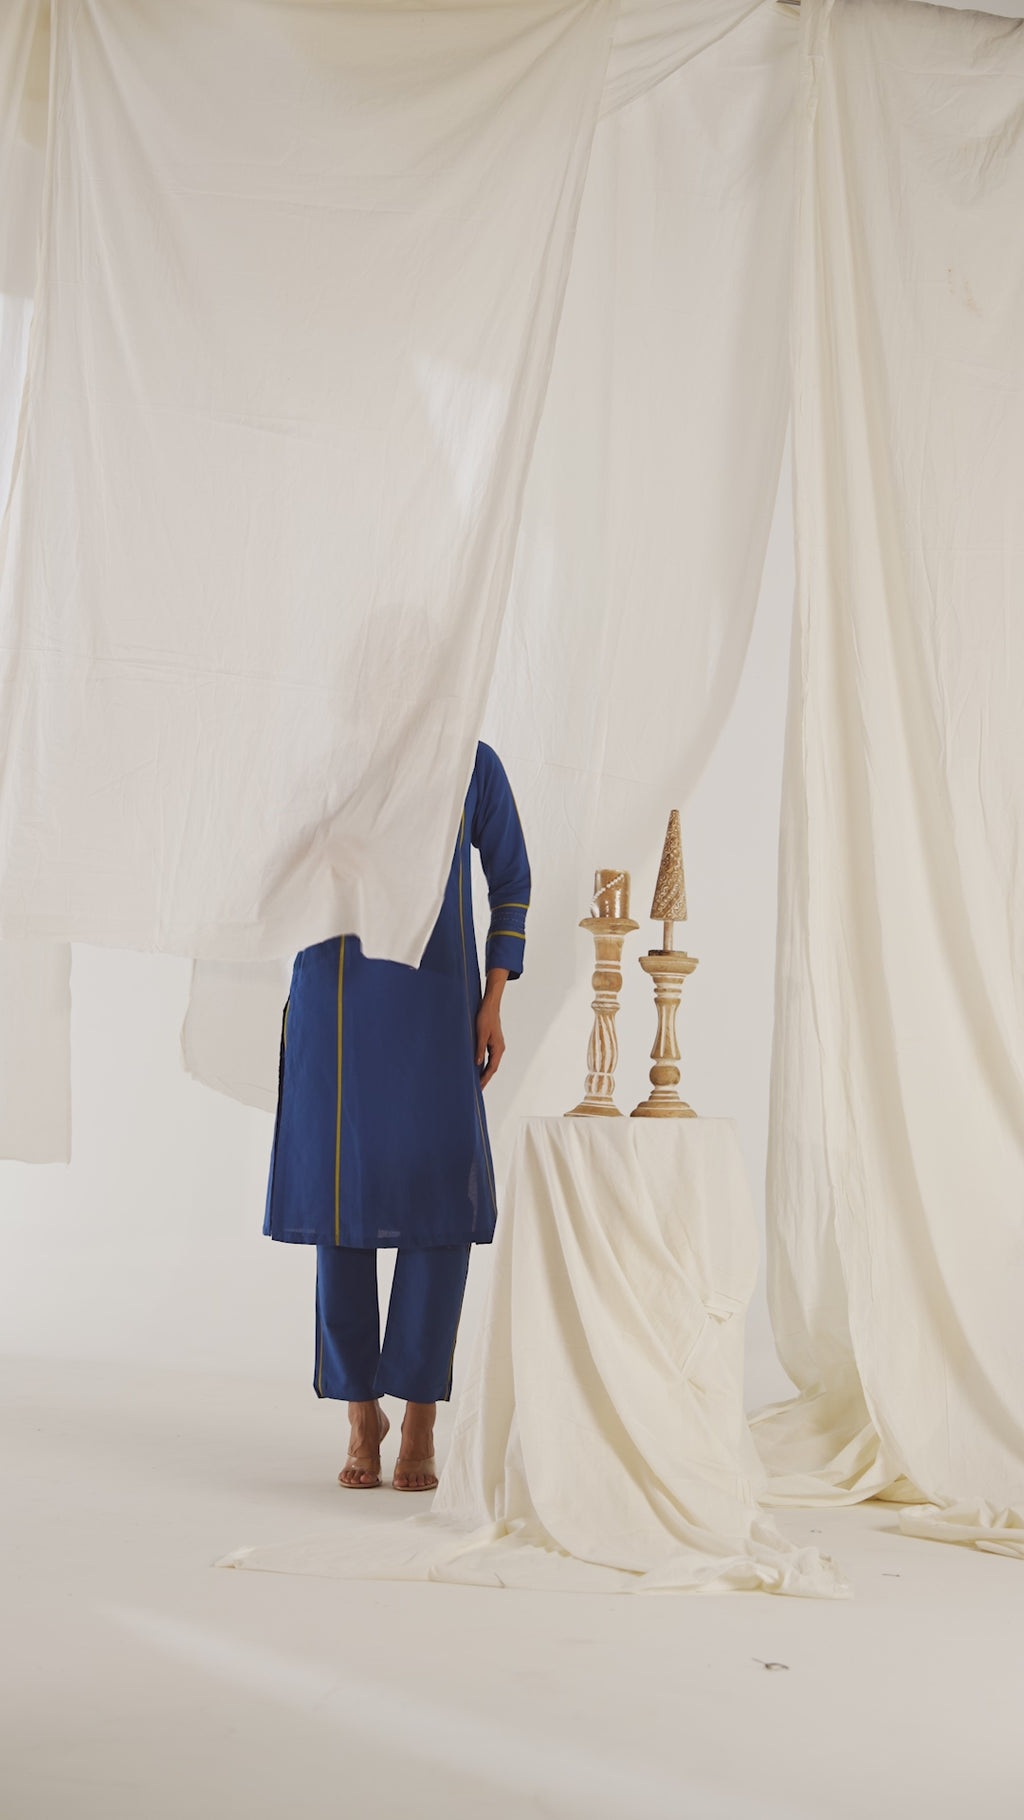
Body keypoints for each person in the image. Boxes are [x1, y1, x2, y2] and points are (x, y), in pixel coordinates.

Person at [264, 742, 529, 1491]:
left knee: (440, 1203)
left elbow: (512, 877)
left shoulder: (470, 760)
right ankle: (360, 1414)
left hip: (439, 1002)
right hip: (336, 994)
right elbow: (276, 864)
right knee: (340, 1204)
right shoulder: (330, 755)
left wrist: (493, 1000)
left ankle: (420, 1417)